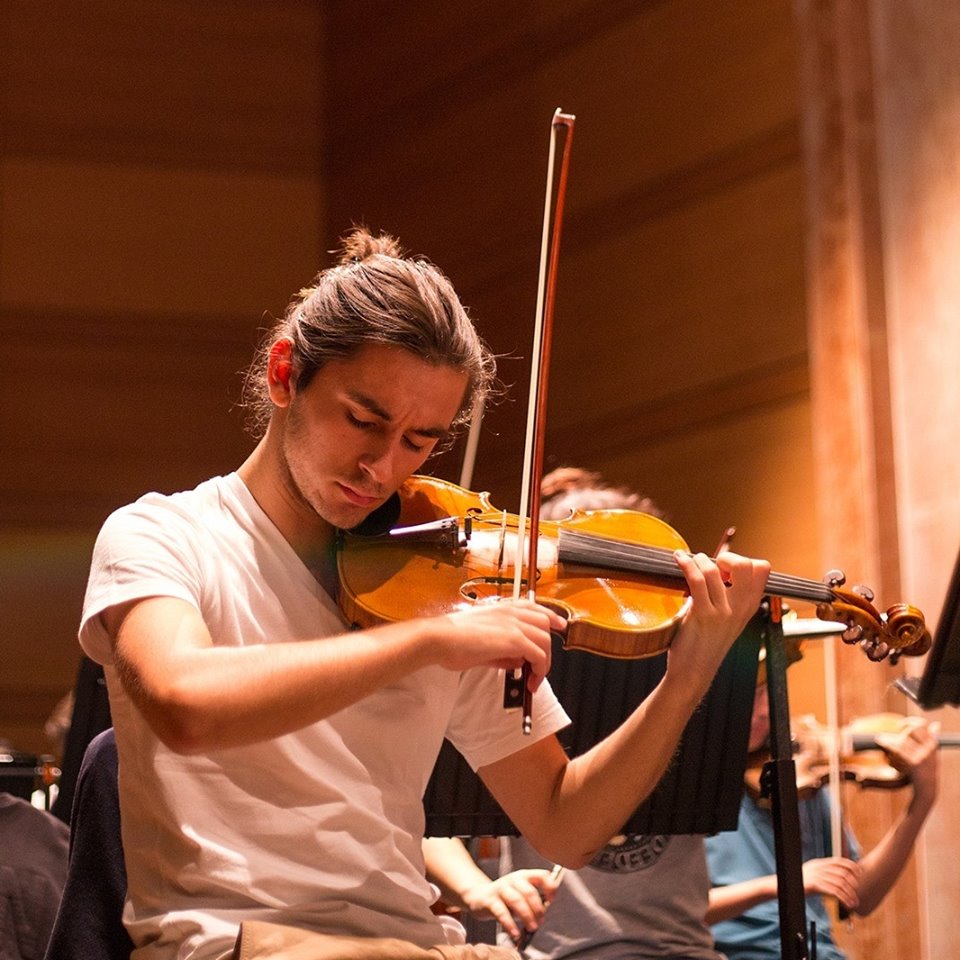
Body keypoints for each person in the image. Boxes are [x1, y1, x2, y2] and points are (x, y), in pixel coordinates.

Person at [78, 228, 770, 960]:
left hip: (411, 943)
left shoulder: (441, 571)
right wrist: (430, 641)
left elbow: (565, 822)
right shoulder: (161, 535)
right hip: (239, 942)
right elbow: (184, 704)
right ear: (285, 374)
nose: (382, 465)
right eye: (365, 421)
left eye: (420, 440)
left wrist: (689, 678)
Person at [423, 467, 727, 960]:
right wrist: (478, 888)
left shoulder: (687, 663)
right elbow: (419, 813)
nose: (614, 588)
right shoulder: (514, 665)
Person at [705, 679, 940, 960]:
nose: (767, 709)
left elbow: (860, 896)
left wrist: (923, 800)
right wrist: (782, 884)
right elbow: (673, 913)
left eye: (770, 690)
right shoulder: (690, 792)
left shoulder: (804, 781)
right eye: (753, 694)